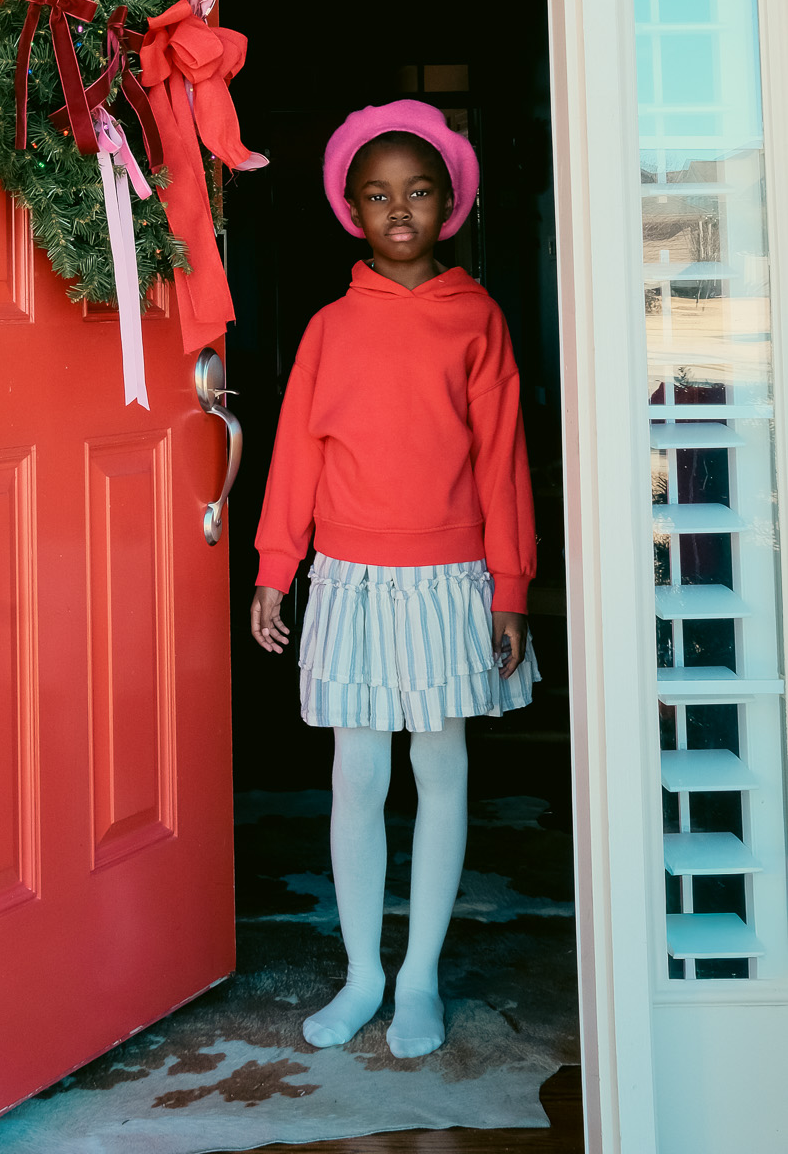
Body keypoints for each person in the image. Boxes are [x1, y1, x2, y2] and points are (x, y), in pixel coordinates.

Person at [250, 99, 537, 1062]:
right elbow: (294, 450)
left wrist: (510, 588)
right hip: (350, 579)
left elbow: (502, 460)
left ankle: (419, 978)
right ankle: (363, 973)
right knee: (356, 776)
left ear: (449, 201)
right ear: (351, 209)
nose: (398, 209)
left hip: (448, 577)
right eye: (377, 195)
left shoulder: (477, 320)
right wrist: (273, 567)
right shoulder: (331, 326)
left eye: (417, 191)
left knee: (440, 769)